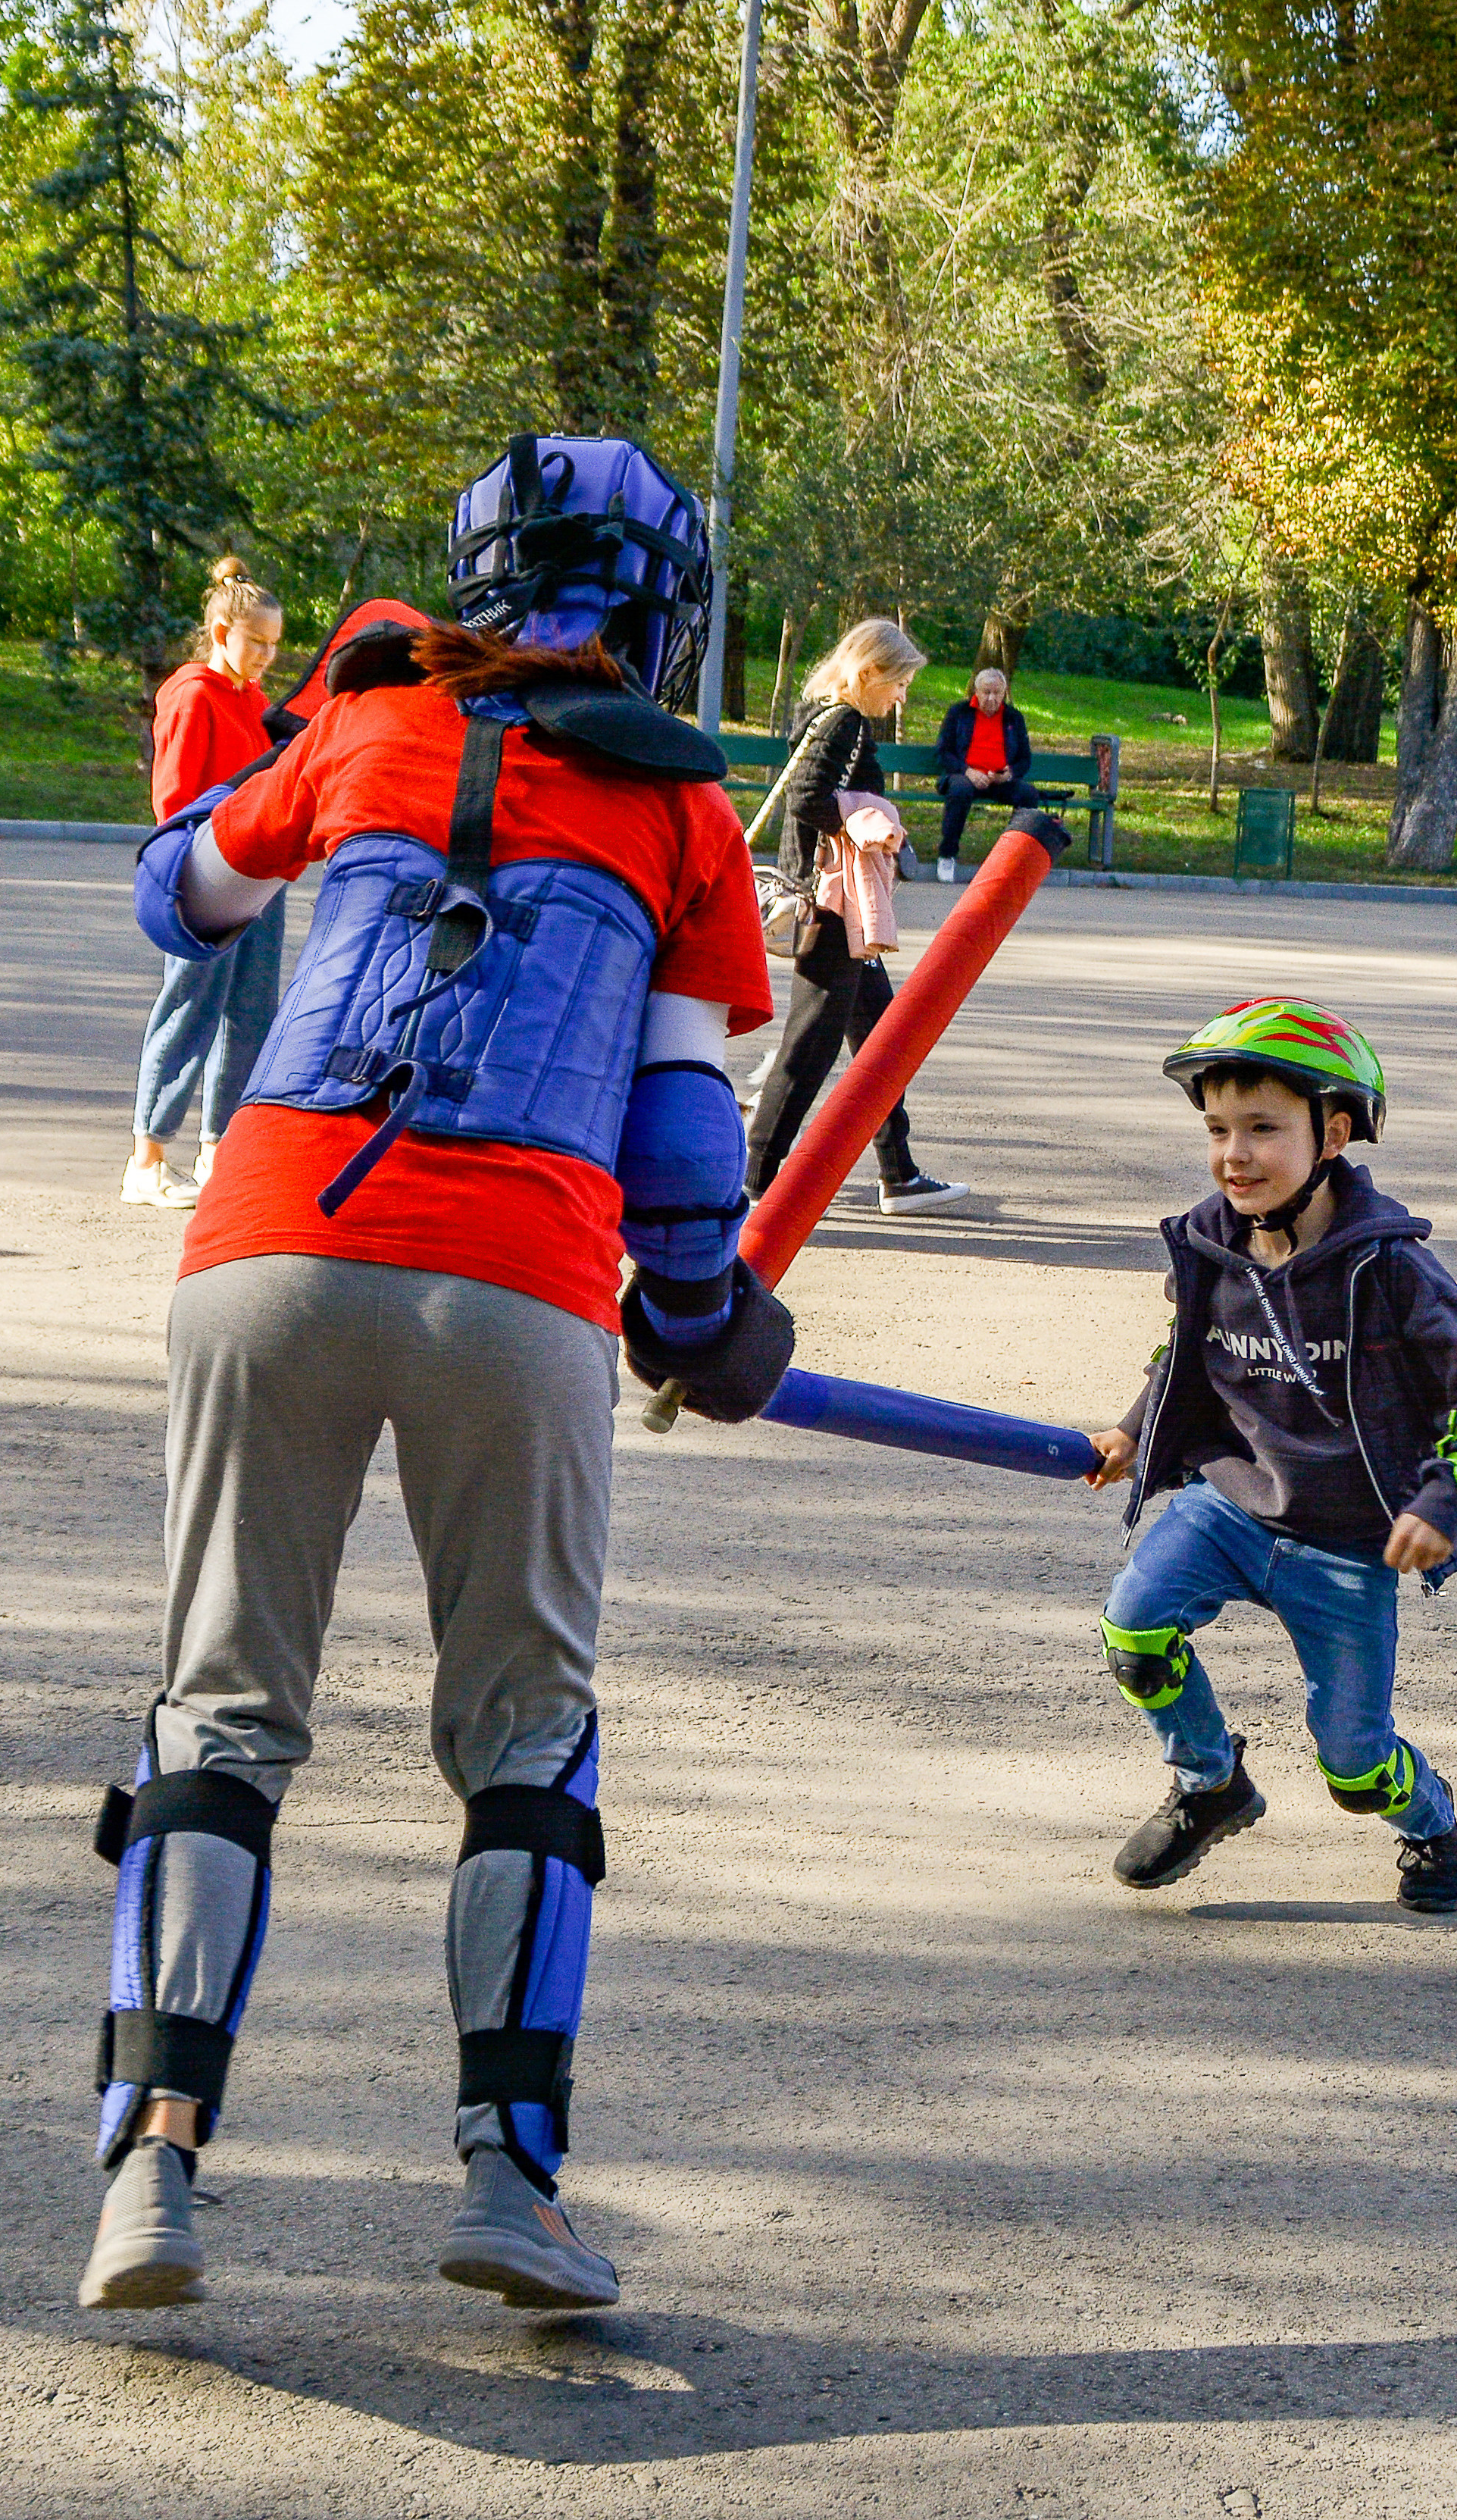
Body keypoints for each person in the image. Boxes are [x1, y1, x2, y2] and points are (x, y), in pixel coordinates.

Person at [77, 433, 793, 2315]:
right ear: (653, 610)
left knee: (217, 1721)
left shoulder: (364, 727)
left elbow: (187, 900)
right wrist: (706, 1314)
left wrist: (320, 725)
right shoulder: (682, 810)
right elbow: (679, 1132)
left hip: (271, 1248)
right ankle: (509, 2182)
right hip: (517, 1282)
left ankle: (151, 2172)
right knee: (524, 1743)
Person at [1083, 997, 1457, 1915]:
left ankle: (1428, 1818)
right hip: (1232, 1507)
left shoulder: (1390, 1267)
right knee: (1135, 1630)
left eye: (1261, 1129)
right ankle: (1210, 1783)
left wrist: (1444, 1501)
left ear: (1332, 1134)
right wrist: (1134, 1428)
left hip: (1350, 1542)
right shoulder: (1213, 1242)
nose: (1233, 1154)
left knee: (1356, 1764)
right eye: (1217, 1129)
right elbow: (1184, 1347)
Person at [744, 618, 969, 1218]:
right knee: (809, 1050)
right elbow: (809, 797)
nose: (900, 698)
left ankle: (898, 1172)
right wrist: (867, 822)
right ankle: (753, 1184)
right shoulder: (844, 719)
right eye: (897, 684)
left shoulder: (820, 710)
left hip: (833, 906)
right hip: (833, 906)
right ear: (868, 672)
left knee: (881, 1042)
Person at [122, 559, 286, 1212]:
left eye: (275, 644)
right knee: (189, 1009)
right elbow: (174, 802)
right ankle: (148, 1161)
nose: (267, 656)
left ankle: (221, 1155)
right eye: (257, 642)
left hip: (261, 877)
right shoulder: (193, 695)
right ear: (221, 632)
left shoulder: (257, 704)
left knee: (250, 1015)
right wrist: (201, 875)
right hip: (206, 882)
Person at [931, 666, 1041, 881]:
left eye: (996, 693)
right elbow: (943, 752)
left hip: (999, 779)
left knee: (1029, 795)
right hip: (965, 775)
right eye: (986, 692)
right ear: (976, 691)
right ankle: (947, 855)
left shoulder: (1013, 718)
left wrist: (1009, 773)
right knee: (960, 790)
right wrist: (968, 772)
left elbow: (1025, 759)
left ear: (1004, 693)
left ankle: (1014, 858)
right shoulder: (959, 713)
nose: (991, 698)